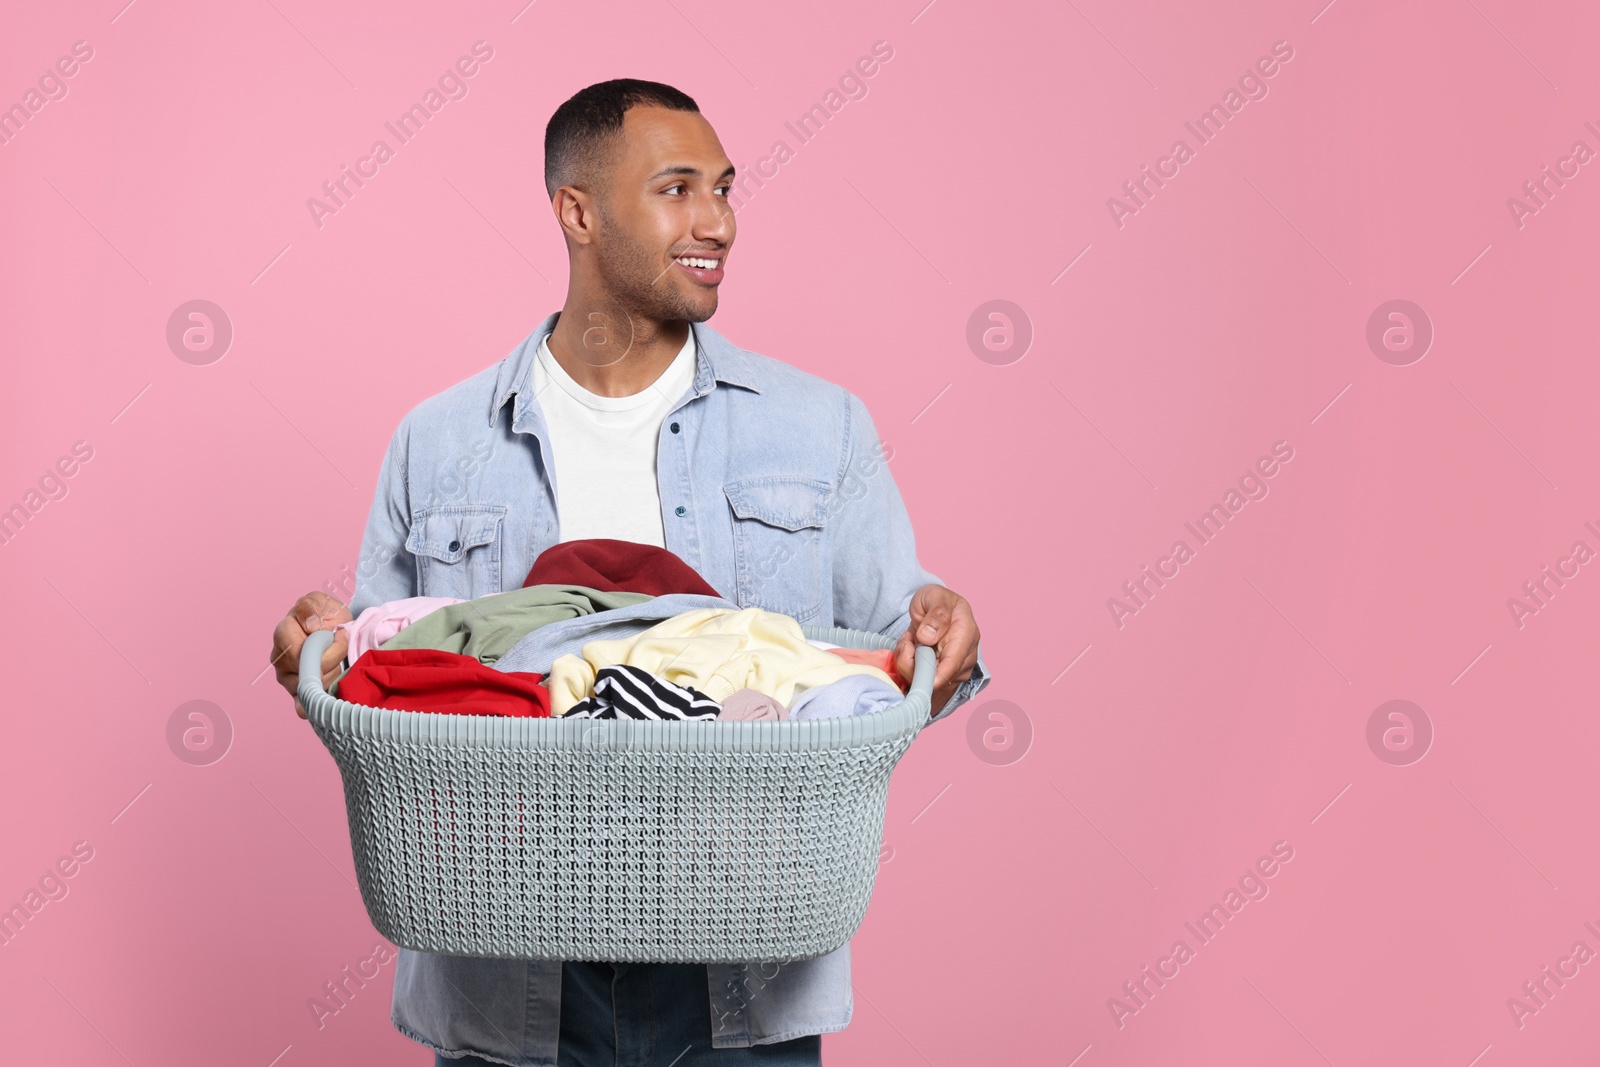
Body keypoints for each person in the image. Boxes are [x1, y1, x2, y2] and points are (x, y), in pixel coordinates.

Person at [269, 78, 991, 1067]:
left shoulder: (822, 428)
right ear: (578, 210)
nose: (719, 221)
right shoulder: (438, 441)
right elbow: (380, 687)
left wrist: (941, 627)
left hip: (742, 973)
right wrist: (316, 648)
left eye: (725, 189)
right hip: (505, 978)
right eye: (677, 188)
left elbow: (885, 670)